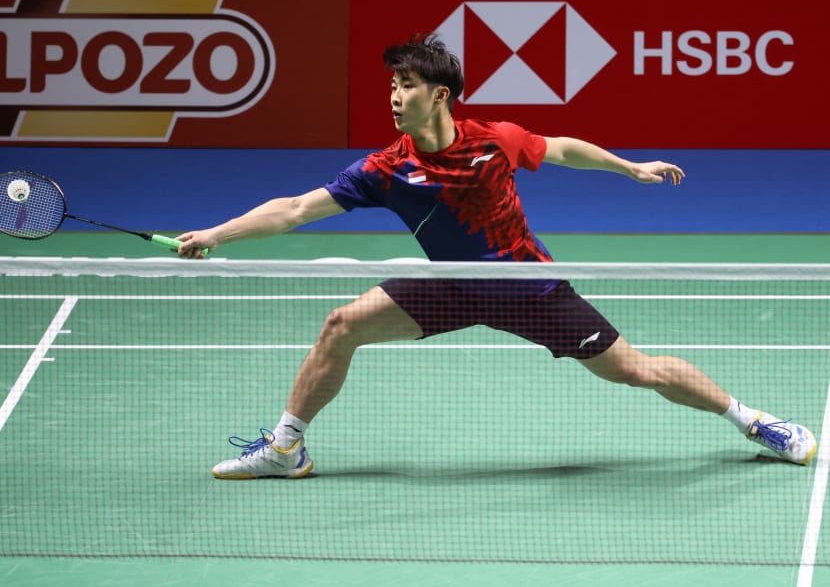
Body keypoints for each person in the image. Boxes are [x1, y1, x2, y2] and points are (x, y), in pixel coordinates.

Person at [177, 34, 817, 479]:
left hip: (528, 289)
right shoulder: (385, 168)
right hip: (452, 283)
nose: (394, 96)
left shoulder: (493, 141)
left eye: (407, 86)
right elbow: (294, 208)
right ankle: (286, 448)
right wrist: (214, 234)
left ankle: (754, 421)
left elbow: (559, 146)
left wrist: (628, 167)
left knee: (636, 370)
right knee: (341, 325)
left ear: (440, 96)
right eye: (392, 86)